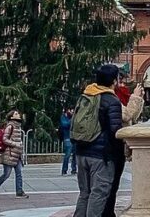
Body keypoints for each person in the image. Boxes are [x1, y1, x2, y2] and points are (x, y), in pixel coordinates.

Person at [72, 63, 124, 217]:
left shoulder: (86, 95)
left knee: (84, 193)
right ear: (114, 80)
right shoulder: (111, 100)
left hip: (81, 152)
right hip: (101, 156)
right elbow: (115, 131)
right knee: (99, 194)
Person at [103, 72, 144, 217]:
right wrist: (136, 97)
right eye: (120, 81)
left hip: (109, 148)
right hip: (111, 147)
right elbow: (127, 115)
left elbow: (130, 115)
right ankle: (106, 213)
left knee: (111, 184)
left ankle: (107, 211)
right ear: (113, 81)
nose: (123, 84)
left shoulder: (113, 96)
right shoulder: (111, 98)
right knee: (109, 184)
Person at [0, 110, 28, 199]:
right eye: (16, 114)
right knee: (6, 175)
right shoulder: (10, 126)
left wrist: (21, 148)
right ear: (11, 117)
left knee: (19, 173)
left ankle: (19, 192)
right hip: (9, 154)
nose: (18, 114)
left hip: (17, 154)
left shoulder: (18, 127)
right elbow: (4, 139)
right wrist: (15, 144)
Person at [59, 107, 76, 176]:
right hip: (67, 138)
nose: (72, 112)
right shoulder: (63, 117)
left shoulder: (72, 117)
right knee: (68, 154)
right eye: (70, 110)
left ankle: (74, 169)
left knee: (75, 154)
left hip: (74, 137)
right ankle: (64, 170)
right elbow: (64, 125)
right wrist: (72, 120)